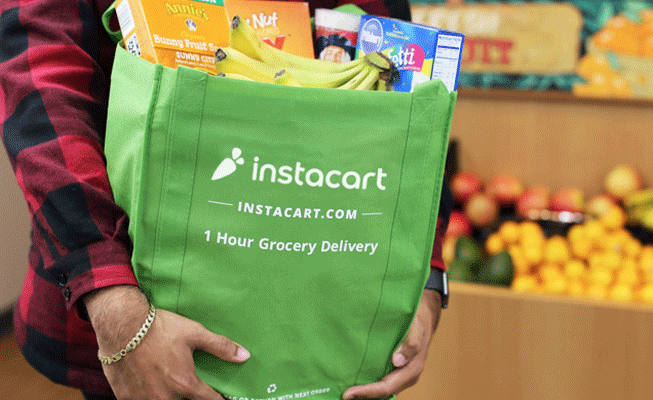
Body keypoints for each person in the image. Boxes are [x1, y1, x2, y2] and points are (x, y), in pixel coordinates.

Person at [0, 0, 452, 398]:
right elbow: (42, 84)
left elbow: (408, 97)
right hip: (136, 312)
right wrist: (116, 306)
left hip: (325, 319)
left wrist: (423, 279)